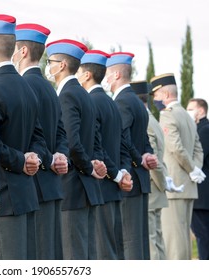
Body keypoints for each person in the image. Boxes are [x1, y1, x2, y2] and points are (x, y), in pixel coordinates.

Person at [0, 14, 49, 260]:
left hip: (3, 197)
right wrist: (33, 158)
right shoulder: (27, 87)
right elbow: (38, 137)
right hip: (27, 195)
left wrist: (20, 160)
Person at [45, 39, 107, 259]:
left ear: (61, 65)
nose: (48, 67)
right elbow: (96, 139)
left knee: (73, 256)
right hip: (87, 187)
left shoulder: (67, 94)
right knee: (86, 254)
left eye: (50, 62)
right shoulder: (84, 94)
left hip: (73, 186)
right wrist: (97, 161)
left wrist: (89, 166)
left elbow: (71, 141)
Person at [13, 23, 69, 259]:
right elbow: (61, 134)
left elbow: (26, 136)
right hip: (52, 184)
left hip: (32, 184)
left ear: (23, 51)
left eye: (13, 47)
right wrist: (60, 155)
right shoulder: (50, 88)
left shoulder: (22, 85)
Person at [77, 50, 133, 260]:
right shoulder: (111, 103)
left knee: (103, 253)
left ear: (87, 75)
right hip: (114, 186)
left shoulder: (90, 103)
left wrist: (117, 175)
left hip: (101, 186)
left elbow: (96, 148)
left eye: (80, 72)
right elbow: (123, 146)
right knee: (113, 249)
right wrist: (123, 172)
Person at [105, 52, 158, 259]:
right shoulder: (136, 102)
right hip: (140, 178)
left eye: (108, 74)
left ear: (117, 74)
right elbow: (143, 140)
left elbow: (123, 138)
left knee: (130, 241)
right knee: (139, 240)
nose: (106, 79)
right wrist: (147, 155)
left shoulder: (123, 102)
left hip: (130, 179)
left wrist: (139, 158)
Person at [150, 73, 204, 259]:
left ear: (165, 95)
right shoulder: (188, 116)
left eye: (156, 95)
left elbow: (175, 148)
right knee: (183, 238)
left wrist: (191, 169)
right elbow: (198, 148)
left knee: (173, 241)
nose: (155, 100)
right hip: (188, 184)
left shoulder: (167, 115)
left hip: (175, 185)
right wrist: (195, 169)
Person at [131, 80, 176, 260]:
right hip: (157, 188)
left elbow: (153, 159)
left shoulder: (146, 121)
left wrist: (162, 182)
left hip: (151, 186)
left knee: (151, 243)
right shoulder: (152, 118)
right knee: (157, 239)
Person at [187, 98, 209, 259]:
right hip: (203, 195)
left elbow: (196, 159)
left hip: (202, 195)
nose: (188, 112)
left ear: (200, 111)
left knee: (202, 236)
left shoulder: (203, 129)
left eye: (190, 109)